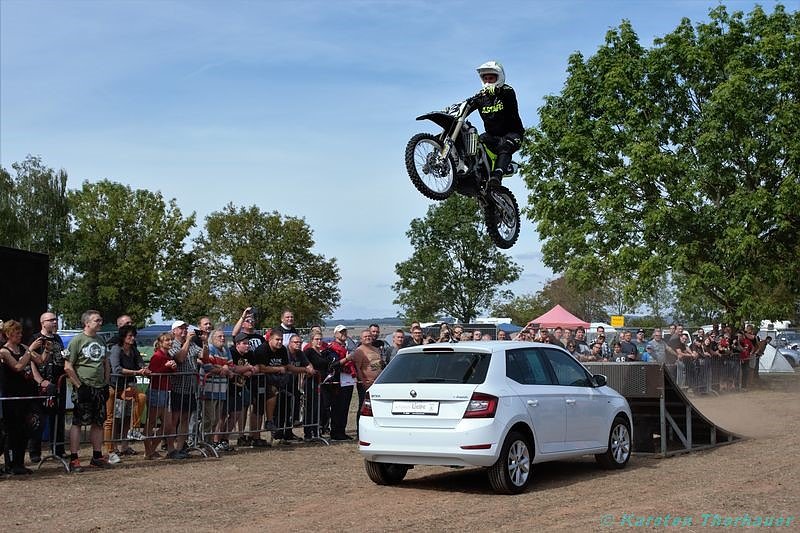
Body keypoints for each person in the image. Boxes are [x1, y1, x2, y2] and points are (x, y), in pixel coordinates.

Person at [63, 310, 113, 472]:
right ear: (87, 323)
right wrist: (79, 386)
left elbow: (106, 363)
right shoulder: (77, 340)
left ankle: (97, 456)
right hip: (84, 387)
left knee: (98, 422)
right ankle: (75, 458)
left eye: (101, 320)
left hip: (99, 388)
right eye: (97, 320)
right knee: (78, 423)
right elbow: (68, 366)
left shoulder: (100, 340)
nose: (100, 323)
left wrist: (106, 383)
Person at [0, 320, 43, 475]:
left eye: (20, 333)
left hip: (25, 394)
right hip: (11, 396)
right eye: (16, 333)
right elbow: (17, 366)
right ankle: (10, 463)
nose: (20, 335)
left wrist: (47, 351)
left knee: (25, 429)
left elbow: (40, 360)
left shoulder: (24, 348)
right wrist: (29, 350)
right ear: (8, 335)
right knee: (12, 431)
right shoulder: (4, 351)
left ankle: (19, 463)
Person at [473, 60, 524, 182]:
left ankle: (498, 174)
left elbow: (508, 94)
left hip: (513, 133)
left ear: (499, 78)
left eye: (491, 78)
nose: (488, 81)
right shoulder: (480, 97)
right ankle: (477, 172)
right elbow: (467, 107)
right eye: (485, 78)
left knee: (505, 145)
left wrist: (498, 91)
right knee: (476, 142)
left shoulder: (507, 91)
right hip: (492, 136)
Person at [106, 324, 148, 462]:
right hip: (114, 386)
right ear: (123, 337)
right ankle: (110, 450)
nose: (132, 338)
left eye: (133, 335)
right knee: (111, 419)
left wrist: (144, 369)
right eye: (130, 336)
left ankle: (134, 429)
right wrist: (136, 372)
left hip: (127, 386)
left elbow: (140, 363)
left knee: (141, 398)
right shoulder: (116, 349)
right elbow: (116, 369)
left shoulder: (134, 350)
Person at [29, 311, 66, 462]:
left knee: (58, 417)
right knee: (39, 418)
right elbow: (31, 361)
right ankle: (34, 452)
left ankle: (58, 449)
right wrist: (40, 380)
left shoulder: (57, 338)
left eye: (55, 320)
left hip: (58, 382)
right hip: (42, 383)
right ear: (43, 323)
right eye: (51, 320)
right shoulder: (35, 339)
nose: (55, 322)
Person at [168, 320, 206, 453]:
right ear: (174, 331)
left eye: (185, 328)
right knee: (174, 420)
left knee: (186, 419)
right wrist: (188, 341)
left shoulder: (193, 345)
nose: (184, 331)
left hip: (190, 388)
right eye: (181, 328)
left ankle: (180, 448)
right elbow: (180, 358)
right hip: (177, 388)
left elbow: (205, 356)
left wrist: (205, 342)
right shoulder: (171, 344)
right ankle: (170, 448)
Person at [144, 333, 180, 460]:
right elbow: (152, 374)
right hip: (156, 391)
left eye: (171, 340)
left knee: (167, 425)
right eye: (167, 340)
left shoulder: (167, 355)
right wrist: (166, 367)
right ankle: (148, 451)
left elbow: (169, 372)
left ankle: (151, 450)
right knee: (152, 422)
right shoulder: (157, 356)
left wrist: (173, 368)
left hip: (165, 391)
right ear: (160, 342)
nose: (170, 342)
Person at [325, 325, 356, 441]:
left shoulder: (347, 346)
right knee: (337, 407)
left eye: (345, 332)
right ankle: (335, 431)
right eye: (341, 332)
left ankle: (341, 431)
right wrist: (347, 359)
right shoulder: (332, 348)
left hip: (348, 379)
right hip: (338, 380)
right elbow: (332, 365)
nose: (343, 334)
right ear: (335, 334)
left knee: (345, 407)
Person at [351, 329, 383, 431]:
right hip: (365, 384)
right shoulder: (359, 351)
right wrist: (364, 382)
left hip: (376, 383)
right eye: (365, 337)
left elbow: (377, 365)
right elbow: (358, 369)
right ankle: (360, 430)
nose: (368, 338)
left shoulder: (376, 349)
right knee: (363, 407)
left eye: (369, 336)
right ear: (361, 339)